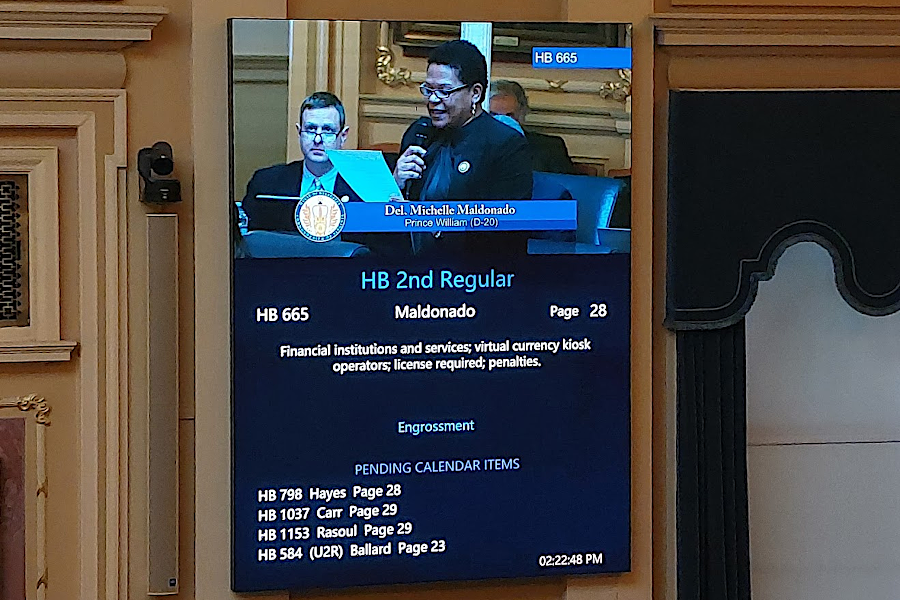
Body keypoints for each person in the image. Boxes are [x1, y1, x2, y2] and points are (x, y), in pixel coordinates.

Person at [393, 40, 533, 255]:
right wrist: (396, 185)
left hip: (475, 275)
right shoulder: (418, 133)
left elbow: (505, 231)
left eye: (444, 91)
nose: (432, 99)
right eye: (428, 89)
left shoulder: (506, 144)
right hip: (411, 270)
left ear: (475, 93)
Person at [240, 91, 361, 233]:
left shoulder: (365, 189)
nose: (317, 140)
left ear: (343, 136)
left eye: (327, 130)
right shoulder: (265, 183)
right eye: (311, 129)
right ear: (299, 132)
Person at [489, 79, 577, 175]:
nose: (501, 122)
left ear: (522, 112)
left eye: (509, 116)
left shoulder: (550, 148)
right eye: (494, 115)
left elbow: (567, 186)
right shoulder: (472, 145)